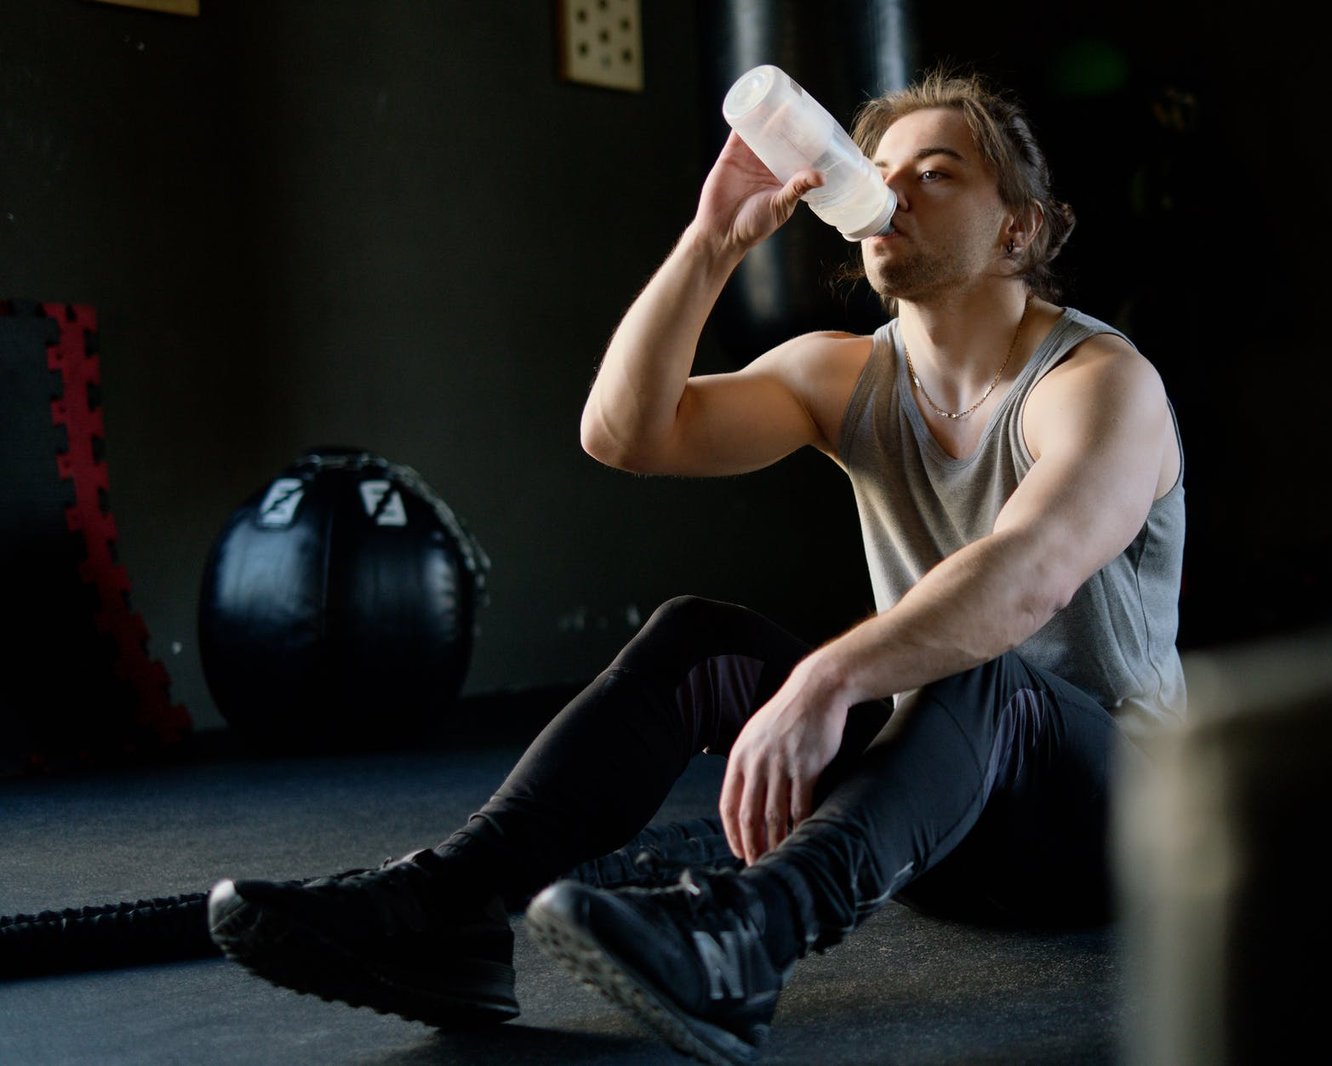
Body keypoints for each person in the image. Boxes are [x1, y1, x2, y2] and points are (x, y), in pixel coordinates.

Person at [207, 69, 1185, 1066]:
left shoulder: (1098, 384)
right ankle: (448, 910)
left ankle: (746, 938)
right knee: (698, 639)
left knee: (977, 667)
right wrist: (711, 240)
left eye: (934, 175)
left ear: (1016, 229)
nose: (892, 193)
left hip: (1128, 836)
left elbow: (1027, 576)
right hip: (937, 823)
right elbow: (625, 432)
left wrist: (827, 676)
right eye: (877, 171)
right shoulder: (844, 371)